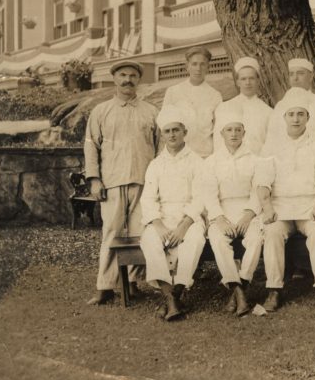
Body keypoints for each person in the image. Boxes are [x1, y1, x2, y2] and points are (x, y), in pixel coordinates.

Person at [84, 60, 159, 305]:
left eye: (133, 76)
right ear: (114, 78)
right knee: (112, 232)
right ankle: (105, 287)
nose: (128, 79)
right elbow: (91, 147)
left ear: (139, 80)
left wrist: (157, 182)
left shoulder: (151, 111)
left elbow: (159, 150)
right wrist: (94, 179)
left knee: (139, 233)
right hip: (113, 182)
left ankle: (134, 283)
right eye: (123, 75)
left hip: (143, 181)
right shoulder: (101, 111)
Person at [257, 89, 315, 312]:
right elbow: (262, 182)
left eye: (301, 114)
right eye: (291, 114)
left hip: (309, 205)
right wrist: (268, 207)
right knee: (272, 233)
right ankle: (274, 290)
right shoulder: (271, 146)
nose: (296, 119)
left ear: (308, 118)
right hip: (280, 207)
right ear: (284, 117)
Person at [139, 106, 207, 321]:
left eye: (176, 130)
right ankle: (172, 299)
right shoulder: (156, 165)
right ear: (163, 134)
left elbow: (200, 198)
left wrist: (184, 226)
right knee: (150, 240)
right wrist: (158, 224)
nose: (172, 135)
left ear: (184, 132)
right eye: (167, 131)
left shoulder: (197, 162)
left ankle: (172, 296)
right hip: (163, 217)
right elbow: (148, 198)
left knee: (194, 240)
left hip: (189, 217)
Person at [204, 109, 265, 317]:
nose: (233, 134)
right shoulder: (211, 162)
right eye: (229, 130)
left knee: (256, 238)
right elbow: (209, 194)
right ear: (221, 134)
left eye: (238, 130)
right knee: (217, 238)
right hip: (222, 212)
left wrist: (248, 215)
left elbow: (258, 190)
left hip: (248, 211)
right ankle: (238, 290)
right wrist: (219, 218)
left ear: (244, 132)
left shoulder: (255, 160)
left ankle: (240, 287)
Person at [163, 46, 223, 158]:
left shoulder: (215, 95)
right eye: (194, 64)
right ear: (187, 66)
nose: (198, 68)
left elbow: (218, 130)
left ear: (208, 67)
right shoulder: (173, 92)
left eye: (202, 64)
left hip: (205, 155)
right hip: (179, 155)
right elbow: (165, 126)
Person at [264, 58, 315, 148]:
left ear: (311, 76)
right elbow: (272, 139)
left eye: (300, 73)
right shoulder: (281, 105)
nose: (295, 78)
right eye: (291, 74)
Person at [213, 57, 272, 155]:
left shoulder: (268, 112)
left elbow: (270, 145)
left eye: (251, 78)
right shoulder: (224, 107)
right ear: (237, 82)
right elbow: (218, 141)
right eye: (243, 79)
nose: (247, 83)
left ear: (258, 81)